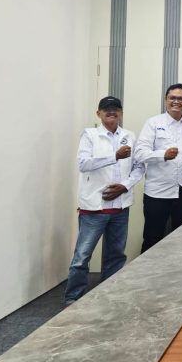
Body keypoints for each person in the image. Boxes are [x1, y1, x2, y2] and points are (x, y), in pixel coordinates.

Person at [64, 96, 144, 304]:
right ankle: (73, 298)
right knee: (82, 256)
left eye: (116, 108)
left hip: (120, 207)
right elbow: (83, 164)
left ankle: (109, 296)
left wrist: (125, 186)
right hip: (94, 208)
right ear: (98, 113)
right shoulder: (90, 135)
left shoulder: (129, 136)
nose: (111, 111)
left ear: (121, 113)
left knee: (116, 255)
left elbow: (139, 167)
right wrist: (114, 156)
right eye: (106, 108)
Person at [134, 83, 182, 253]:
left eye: (181, 98)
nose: (176, 101)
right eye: (172, 98)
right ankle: (148, 271)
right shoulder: (153, 123)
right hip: (157, 192)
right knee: (152, 238)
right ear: (165, 100)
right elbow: (139, 153)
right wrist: (162, 155)